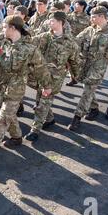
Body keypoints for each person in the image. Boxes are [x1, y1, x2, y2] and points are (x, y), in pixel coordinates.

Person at [0, 16, 52, 165]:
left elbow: (41, 69)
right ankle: (17, 137)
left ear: (13, 28)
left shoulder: (30, 49)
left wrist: (47, 86)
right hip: (1, 86)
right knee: (9, 115)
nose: (2, 30)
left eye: (4, 27)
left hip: (16, 89)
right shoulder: (3, 45)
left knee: (3, 118)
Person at [68, 6, 108, 131]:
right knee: (87, 88)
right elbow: (76, 41)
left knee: (88, 89)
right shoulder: (89, 30)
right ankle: (94, 108)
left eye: (93, 16)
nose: (91, 18)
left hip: (99, 66)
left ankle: (77, 117)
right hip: (85, 64)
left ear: (102, 17)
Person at [25, 12, 80, 142]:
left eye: (52, 20)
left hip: (55, 78)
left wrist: (76, 76)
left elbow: (75, 62)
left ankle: (35, 130)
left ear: (60, 22)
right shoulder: (44, 37)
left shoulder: (70, 43)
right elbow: (28, 42)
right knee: (41, 99)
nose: (50, 22)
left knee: (43, 101)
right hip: (41, 75)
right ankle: (49, 119)